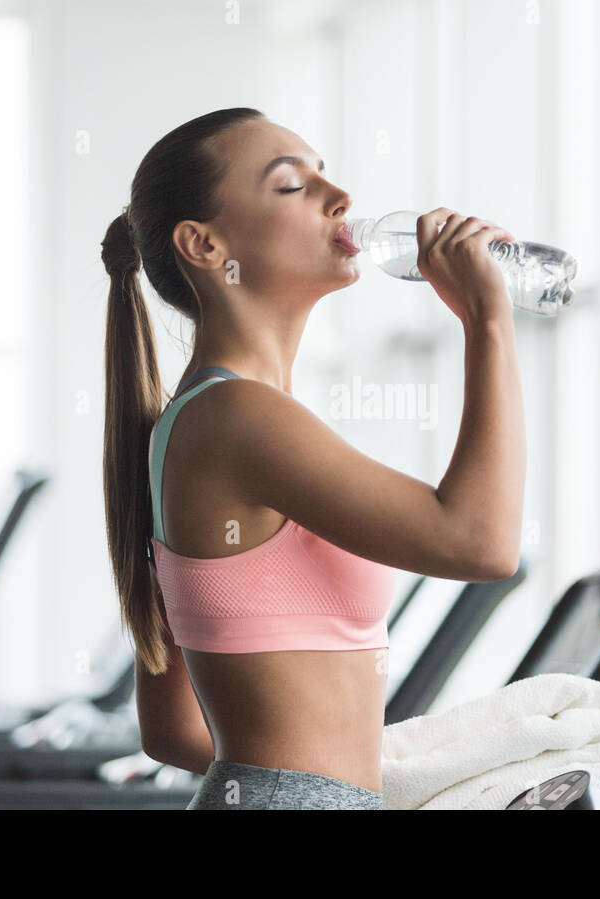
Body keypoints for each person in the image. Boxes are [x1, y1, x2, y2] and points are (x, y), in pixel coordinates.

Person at [99, 107, 525, 809]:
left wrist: (320, 768)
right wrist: (487, 319)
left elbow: (172, 728)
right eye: (293, 184)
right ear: (203, 244)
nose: (340, 198)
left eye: (325, 172)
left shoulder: (201, 419)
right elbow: (480, 542)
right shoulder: (239, 418)